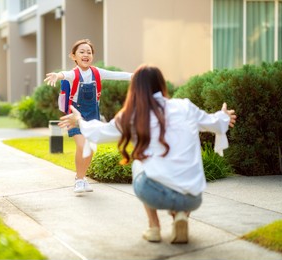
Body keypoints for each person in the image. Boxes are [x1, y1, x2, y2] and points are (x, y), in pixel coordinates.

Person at [58, 65, 237, 244]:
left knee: (139, 161)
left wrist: (79, 120)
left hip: (154, 193)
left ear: (135, 87)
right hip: (193, 198)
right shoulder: (185, 107)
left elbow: (99, 132)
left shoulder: (133, 114)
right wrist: (224, 116)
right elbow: (216, 122)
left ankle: (154, 227)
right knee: (179, 173)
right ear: (161, 84)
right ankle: (181, 217)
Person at [44, 39, 132, 194]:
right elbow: (63, 74)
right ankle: (78, 180)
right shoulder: (73, 74)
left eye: (89, 52)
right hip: (74, 114)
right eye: (82, 52)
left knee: (90, 148)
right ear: (73, 56)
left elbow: (118, 75)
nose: (86, 55)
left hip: (92, 114)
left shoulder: (98, 73)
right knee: (82, 145)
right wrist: (57, 76)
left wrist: (138, 75)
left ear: (92, 56)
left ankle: (82, 178)